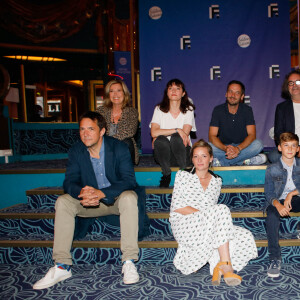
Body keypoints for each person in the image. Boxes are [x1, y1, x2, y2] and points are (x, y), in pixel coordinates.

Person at [33, 111, 140, 289]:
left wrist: (101, 193)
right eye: (82, 129)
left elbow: (129, 180)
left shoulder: (119, 148)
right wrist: (82, 192)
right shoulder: (76, 151)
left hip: (114, 200)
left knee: (130, 197)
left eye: (91, 129)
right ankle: (61, 266)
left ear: (102, 131)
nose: (85, 133)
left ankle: (128, 262)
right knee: (63, 201)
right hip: (88, 202)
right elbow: (69, 182)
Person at [170, 139, 257, 285]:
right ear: (192, 159)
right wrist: (207, 216)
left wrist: (210, 217)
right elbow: (178, 207)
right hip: (184, 222)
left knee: (243, 235)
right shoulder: (183, 175)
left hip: (207, 223)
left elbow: (211, 207)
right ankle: (226, 266)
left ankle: (219, 266)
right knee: (221, 209)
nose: (199, 160)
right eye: (196, 156)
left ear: (211, 158)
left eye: (203, 156)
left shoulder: (217, 180)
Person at [264, 132, 300, 278]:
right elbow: (269, 193)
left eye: (293, 146)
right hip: (277, 200)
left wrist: (292, 194)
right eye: (286, 145)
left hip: (296, 199)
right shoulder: (272, 168)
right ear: (279, 148)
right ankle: (275, 258)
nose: (290, 149)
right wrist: (278, 205)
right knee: (271, 216)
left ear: (298, 148)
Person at [150, 79, 196, 187]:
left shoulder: (188, 109)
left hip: (182, 153)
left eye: (177, 88)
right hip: (164, 155)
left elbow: (184, 134)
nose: (173, 91)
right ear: (167, 92)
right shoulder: (159, 109)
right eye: (170, 88)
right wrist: (176, 129)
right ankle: (166, 174)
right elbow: (154, 132)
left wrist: (177, 132)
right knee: (161, 140)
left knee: (176, 137)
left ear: (183, 93)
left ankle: (184, 172)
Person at [208, 80, 266, 166]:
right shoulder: (218, 110)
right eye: (230, 91)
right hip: (223, 147)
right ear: (226, 94)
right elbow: (212, 136)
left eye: (237, 93)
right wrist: (225, 148)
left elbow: (252, 135)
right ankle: (244, 161)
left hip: (242, 147)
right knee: (208, 146)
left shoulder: (247, 110)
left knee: (258, 144)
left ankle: (221, 162)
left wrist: (238, 149)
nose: (233, 95)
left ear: (242, 96)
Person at [97, 80, 139, 165]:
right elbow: (95, 130)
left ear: (124, 93)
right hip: (104, 150)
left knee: (126, 142)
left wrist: (108, 143)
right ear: (108, 94)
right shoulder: (100, 111)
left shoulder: (132, 112)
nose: (115, 94)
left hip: (124, 150)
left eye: (119, 91)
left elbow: (129, 132)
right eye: (112, 91)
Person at [268, 70, 300, 163]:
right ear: (287, 87)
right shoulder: (281, 107)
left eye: (298, 82)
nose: (294, 85)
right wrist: (293, 147)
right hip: (289, 148)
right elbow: (279, 133)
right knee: (273, 156)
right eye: (291, 83)